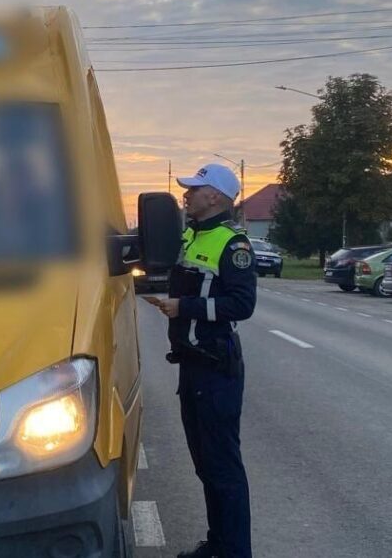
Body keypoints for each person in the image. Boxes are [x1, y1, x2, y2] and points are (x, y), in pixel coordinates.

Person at [148, 162, 256, 558]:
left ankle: (234, 552)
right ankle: (218, 545)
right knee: (206, 465)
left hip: (216, 368)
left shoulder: (233, 244)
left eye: (194, 189)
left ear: (215, 196)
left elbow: (242, 305)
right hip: (193, 365)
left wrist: (184, 306)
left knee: (224, 468)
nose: (186, 194)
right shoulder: (193, 235)